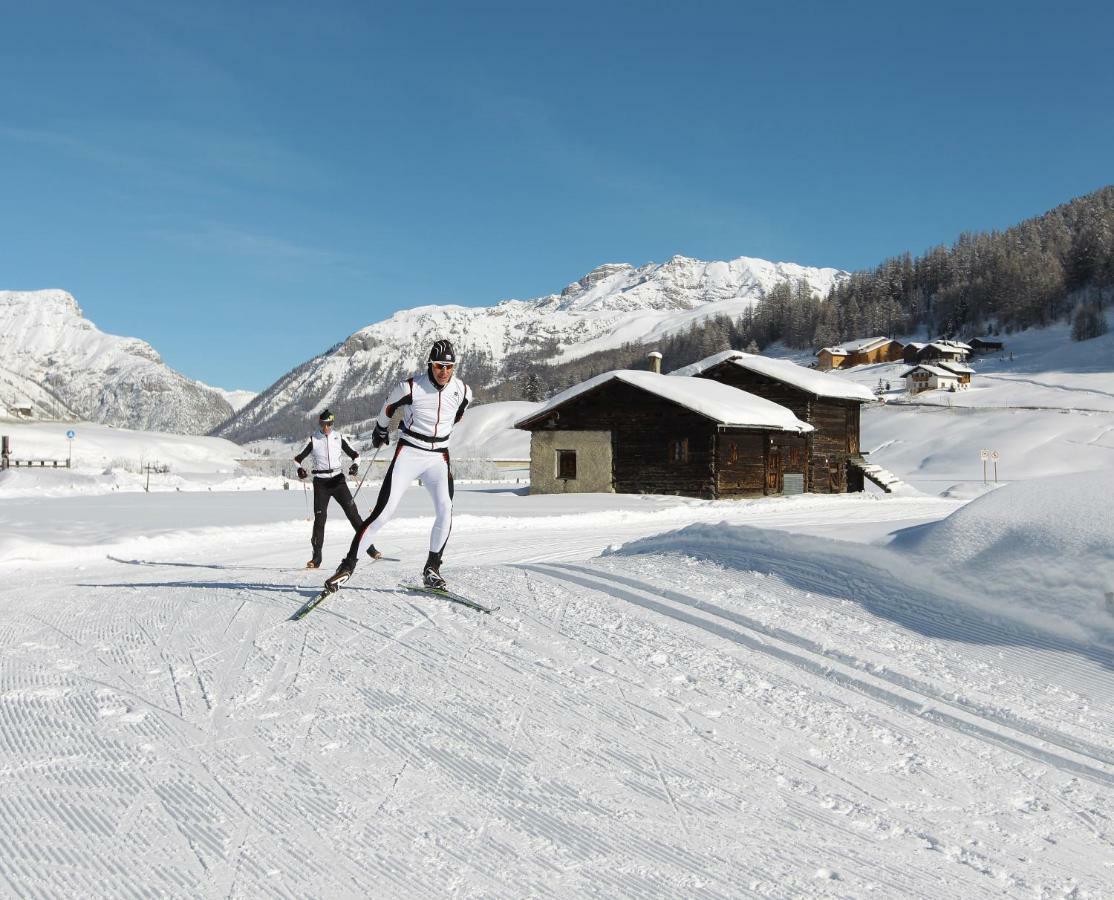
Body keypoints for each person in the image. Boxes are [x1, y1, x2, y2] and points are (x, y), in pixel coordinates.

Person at [324, 339, 472, 593]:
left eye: (449, 366)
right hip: (410, 452)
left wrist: (440, 434)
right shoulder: (410, 387)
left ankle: (432, 569)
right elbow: (388, 408)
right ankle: (347, 567)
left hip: (438, 457)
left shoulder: (463, 391)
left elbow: (457, 415)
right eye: (439, 366)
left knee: (446, 510)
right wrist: (381, 429)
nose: (444, 372)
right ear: (430, 364)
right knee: (383, 513)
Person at [293, 409, 363, 568]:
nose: (326, 428)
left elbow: (356, 456)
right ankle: (316, 558)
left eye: (329, 424)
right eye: (323, 424)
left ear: (333, 423)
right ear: (320, 423)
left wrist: (355, 466)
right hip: (321, 483)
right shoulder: (313, 439)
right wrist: (300, 469)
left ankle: (369, 547)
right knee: (320, 520)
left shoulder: (339, 437)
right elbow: (297, 460)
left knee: (353, 514)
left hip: (338, 481)